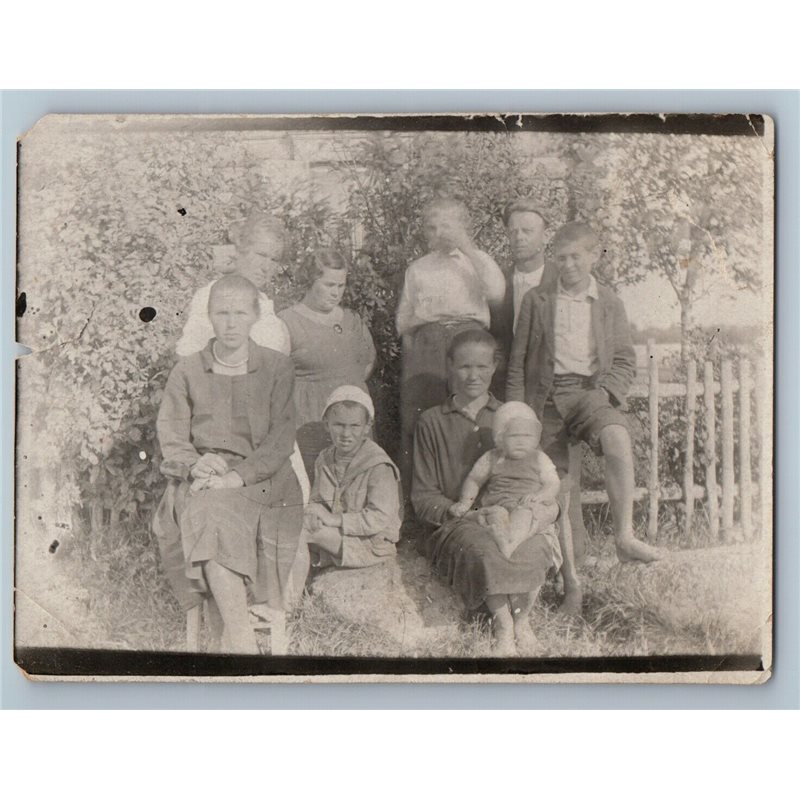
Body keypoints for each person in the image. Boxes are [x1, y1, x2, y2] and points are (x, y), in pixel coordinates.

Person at [153, 275, 307, 654]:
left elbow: (280, 439)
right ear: (209, 316)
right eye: (222, 312)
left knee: (215, 509)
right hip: (203, 479)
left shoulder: (276, 367)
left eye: (241, 312)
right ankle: (241, 639)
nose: (232, 322)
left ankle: (232, 636)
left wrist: (237, 477)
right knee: (206, 506)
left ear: (255, 316)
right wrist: (194, 464)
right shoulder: (187, 370)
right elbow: (172, 436)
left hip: (264, 481)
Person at [506, 221, 664, 579]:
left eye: (576, 257)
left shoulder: (609, 302)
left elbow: (624, 357)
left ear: (594, 256)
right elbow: (517, 362)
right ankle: (571, 583)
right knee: (557, 486)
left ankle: (624, 537)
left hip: (589, 395)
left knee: (618, 438)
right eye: (560, 259)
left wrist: (605, 393)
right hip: (545, 400)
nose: (568, 266)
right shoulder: (537, 299)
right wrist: (519, 413)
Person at [412, 328, 562, 656]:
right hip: (461, 522)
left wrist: (547, 507)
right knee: (486, 550)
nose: (473, 375)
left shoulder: (513, 418)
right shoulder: (432, 422)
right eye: (464, 366)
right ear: (449, 366)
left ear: (494, 367)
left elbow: (539, 476)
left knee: (533, 547)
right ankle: (503, 625)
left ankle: (522, 620)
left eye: (482, 366)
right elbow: (423, 497)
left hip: (514, 515)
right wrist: (456, 510)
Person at [492, 200, 590, 567]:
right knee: (515, 477)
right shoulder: (499, 280)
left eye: (527, 230)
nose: (518, 237)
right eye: (513, 230)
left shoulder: (561, 278)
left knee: (561, 479)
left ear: (544, 236)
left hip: (554, 396)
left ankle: (572, 565)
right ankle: (525, 561)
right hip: (510, 393)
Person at [397, 198, 505, 492]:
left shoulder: (478, 261)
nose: (440, 232)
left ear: (463, 227)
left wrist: (467, 248)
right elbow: (403, 321)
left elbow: (496, 294)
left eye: (447, 225)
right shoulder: (418, 269)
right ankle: (420, 508)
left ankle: (470, 499)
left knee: (468, 416)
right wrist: (418, 353)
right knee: (419, 421)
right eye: (432, 227)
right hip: (427, 345)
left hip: (467, 339)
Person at [278, 248, 376, 479]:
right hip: (311, 421)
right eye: (329, 285)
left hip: (352, 419)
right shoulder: (287, 322)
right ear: (311, 282)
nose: (336, 293)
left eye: (341, 286)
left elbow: (368, 361)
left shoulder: (352, 320)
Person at [304, 386, 401, 569]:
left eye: (355, 426)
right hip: (338, 536)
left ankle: (289, 595)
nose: (346, 434)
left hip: (371, 544)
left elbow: (379, 518)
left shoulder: (378, 465)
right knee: (294, 527)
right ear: (326, 424)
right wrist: (315, 513)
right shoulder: (324, 459)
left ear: (367, 427)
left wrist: (335, 520)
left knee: (304, 532)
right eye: (339, 425)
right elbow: (318, 500)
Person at [450, 401, 560, 560]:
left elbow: (553, 483)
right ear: (500, 437)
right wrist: (465, 502)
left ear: (535, 438)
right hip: (498, 505)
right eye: (514, 436)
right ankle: (501, 537)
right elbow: (474, 480)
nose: (521, 441)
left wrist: (541, 495)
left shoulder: (539, 458)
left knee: (525, 515)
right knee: (495, 515)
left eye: (527, 436)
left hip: (524, 505)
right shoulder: (492, 457)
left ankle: (509, 545)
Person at [176, 209, 291, 357]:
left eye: (274, 259)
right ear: (240, 250)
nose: (266, 267)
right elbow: (189, 357)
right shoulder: (212, 295)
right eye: (261, 255)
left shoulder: (265, 306)